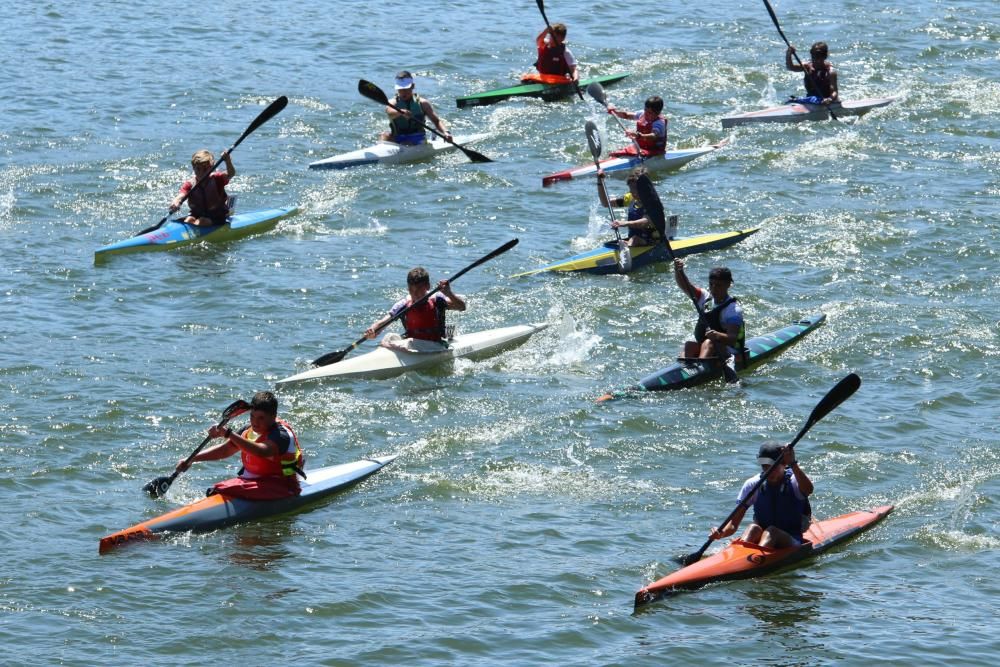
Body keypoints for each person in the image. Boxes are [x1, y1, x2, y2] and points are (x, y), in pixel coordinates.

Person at [175, 391, 305, 500]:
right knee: (214, 491)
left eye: (261, 418)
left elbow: (261, 451)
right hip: (251, 483)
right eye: (252, 416)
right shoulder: (247, 430)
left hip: (282, 486)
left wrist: (228, 433)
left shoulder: (281, 434)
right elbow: (225, 450)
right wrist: (192, 459)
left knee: (218, 489)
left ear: (273, 416)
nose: (255, 422)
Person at [709, 442, 814, 549]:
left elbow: (809, 489)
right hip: (763, 540)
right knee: (752, 528)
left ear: (784, 464)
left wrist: (793, 463)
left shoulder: (794, 481)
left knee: (772, 532)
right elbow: (733, 524)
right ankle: (744, 556)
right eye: (765, 466)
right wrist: (721, 533)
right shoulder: (753, 485)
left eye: (773, 466)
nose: (769, 471)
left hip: (792, 540)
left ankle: (755, 560)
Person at [364, 267, 466, 351]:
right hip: (413, 346)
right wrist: (373, 331)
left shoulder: (437, 299)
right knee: (389, 337)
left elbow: (462, 307)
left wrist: (449, 293)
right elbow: (383, 322)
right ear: (408, 288)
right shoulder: (404, 304)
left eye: (418, 290)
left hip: (435, 345)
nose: (415, 294)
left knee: (405, 342)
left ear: (428, 286)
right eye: (411, 290)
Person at [673, 259, 745, 365]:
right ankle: (686, 369)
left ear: (728, 285)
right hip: (707, 347)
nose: (714, 289)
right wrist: (678, 270)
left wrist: (717, 335)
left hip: (728, 351)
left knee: (708, 343)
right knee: (689, 345)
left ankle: (701, 370)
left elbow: (732, 339)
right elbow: (685, 285)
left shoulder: (733, 310)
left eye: (718, 285)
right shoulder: (704, 297)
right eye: (711, 284)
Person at [596, 167, 666, 247]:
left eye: (637, 189)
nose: (635, 193)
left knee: (635, 239)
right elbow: (605, 203)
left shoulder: (654, 204)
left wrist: (624, 223)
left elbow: (644, 222)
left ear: (646, 188)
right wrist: (600, 182)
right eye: (632, 190)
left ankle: (628, 247)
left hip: (653, 242)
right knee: (628, 240)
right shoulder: (630, 198)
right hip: (633, 241)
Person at [380, 70, 451, 146]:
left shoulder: (423, 103)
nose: (403, 92)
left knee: (407, 143)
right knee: (385, 135)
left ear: (413, 86)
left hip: (417, 137)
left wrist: (445, 132)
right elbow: (389, 112)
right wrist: (400, 112)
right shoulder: (392, 103)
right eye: (400, 89)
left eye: (406, 89)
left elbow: (436, 121)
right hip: (398, 136)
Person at [169, 149, 236, 226]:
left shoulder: (217, 178)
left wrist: (228, 161)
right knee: (188, 220)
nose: (201, 173)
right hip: (196, 214)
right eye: (198, 169)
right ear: (193, 168)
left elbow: (231, 173)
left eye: (205, 169)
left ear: (212, 167)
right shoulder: (190, 184)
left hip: (217, 215)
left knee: (203, 221)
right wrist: (176, 202)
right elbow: (181, 195)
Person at [785, 41, 839, 106]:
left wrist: (829, 99)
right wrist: (789, 54)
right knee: (790, 100)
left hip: (826, 101)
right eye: (813, 54)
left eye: (818, 55)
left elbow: (834, 92)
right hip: (811, 100)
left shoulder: (830, 72)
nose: (815, 58)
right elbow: (790, 67)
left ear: (825, 56)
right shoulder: (807, 67)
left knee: (814, 98)